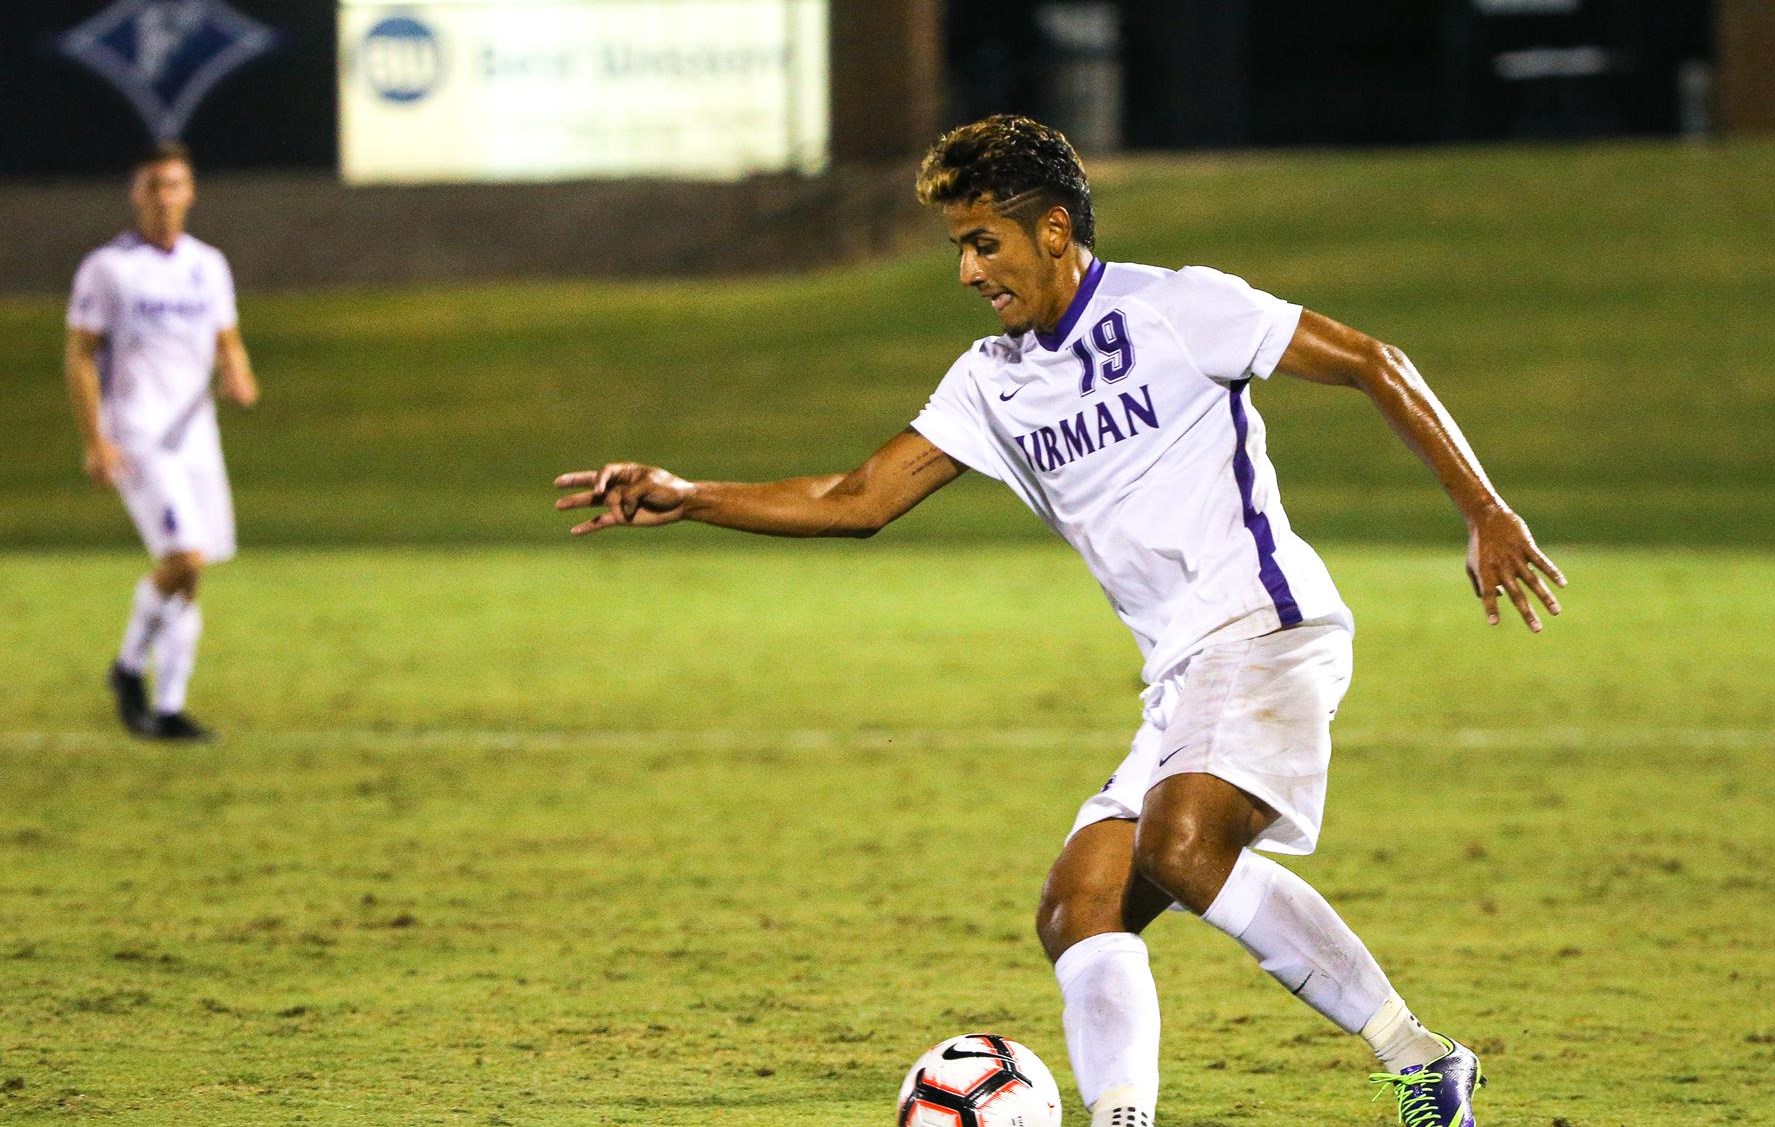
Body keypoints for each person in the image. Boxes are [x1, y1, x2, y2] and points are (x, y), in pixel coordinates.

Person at [555, 115, 1563, 1127]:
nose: (965, 270)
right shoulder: (992, 380)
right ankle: (1122, 1116)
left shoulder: (1178, 306)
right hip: (1179, 669)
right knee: (1077, 906)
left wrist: (1484, 509)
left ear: (1051, 231)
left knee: (1179, 848)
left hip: (1262, 621)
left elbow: (1371, 361)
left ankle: (1418, 1058)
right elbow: (856, 498)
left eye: (981, 240)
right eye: (957, 245)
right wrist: (690, 495)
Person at [64, 142, 260, 742]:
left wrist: (238, 371)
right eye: (154, 186)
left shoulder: (208, 263)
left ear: (191, 192)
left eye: (175, 184)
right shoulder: (109, 268)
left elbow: (225, 335)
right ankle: (127, 670)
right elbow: (79, 355)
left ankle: (170, 708)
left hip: (196, 435)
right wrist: (95, 440)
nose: (165, 196)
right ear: (137, 194)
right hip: (139, 433)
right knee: (184, 558)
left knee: (193, 572)